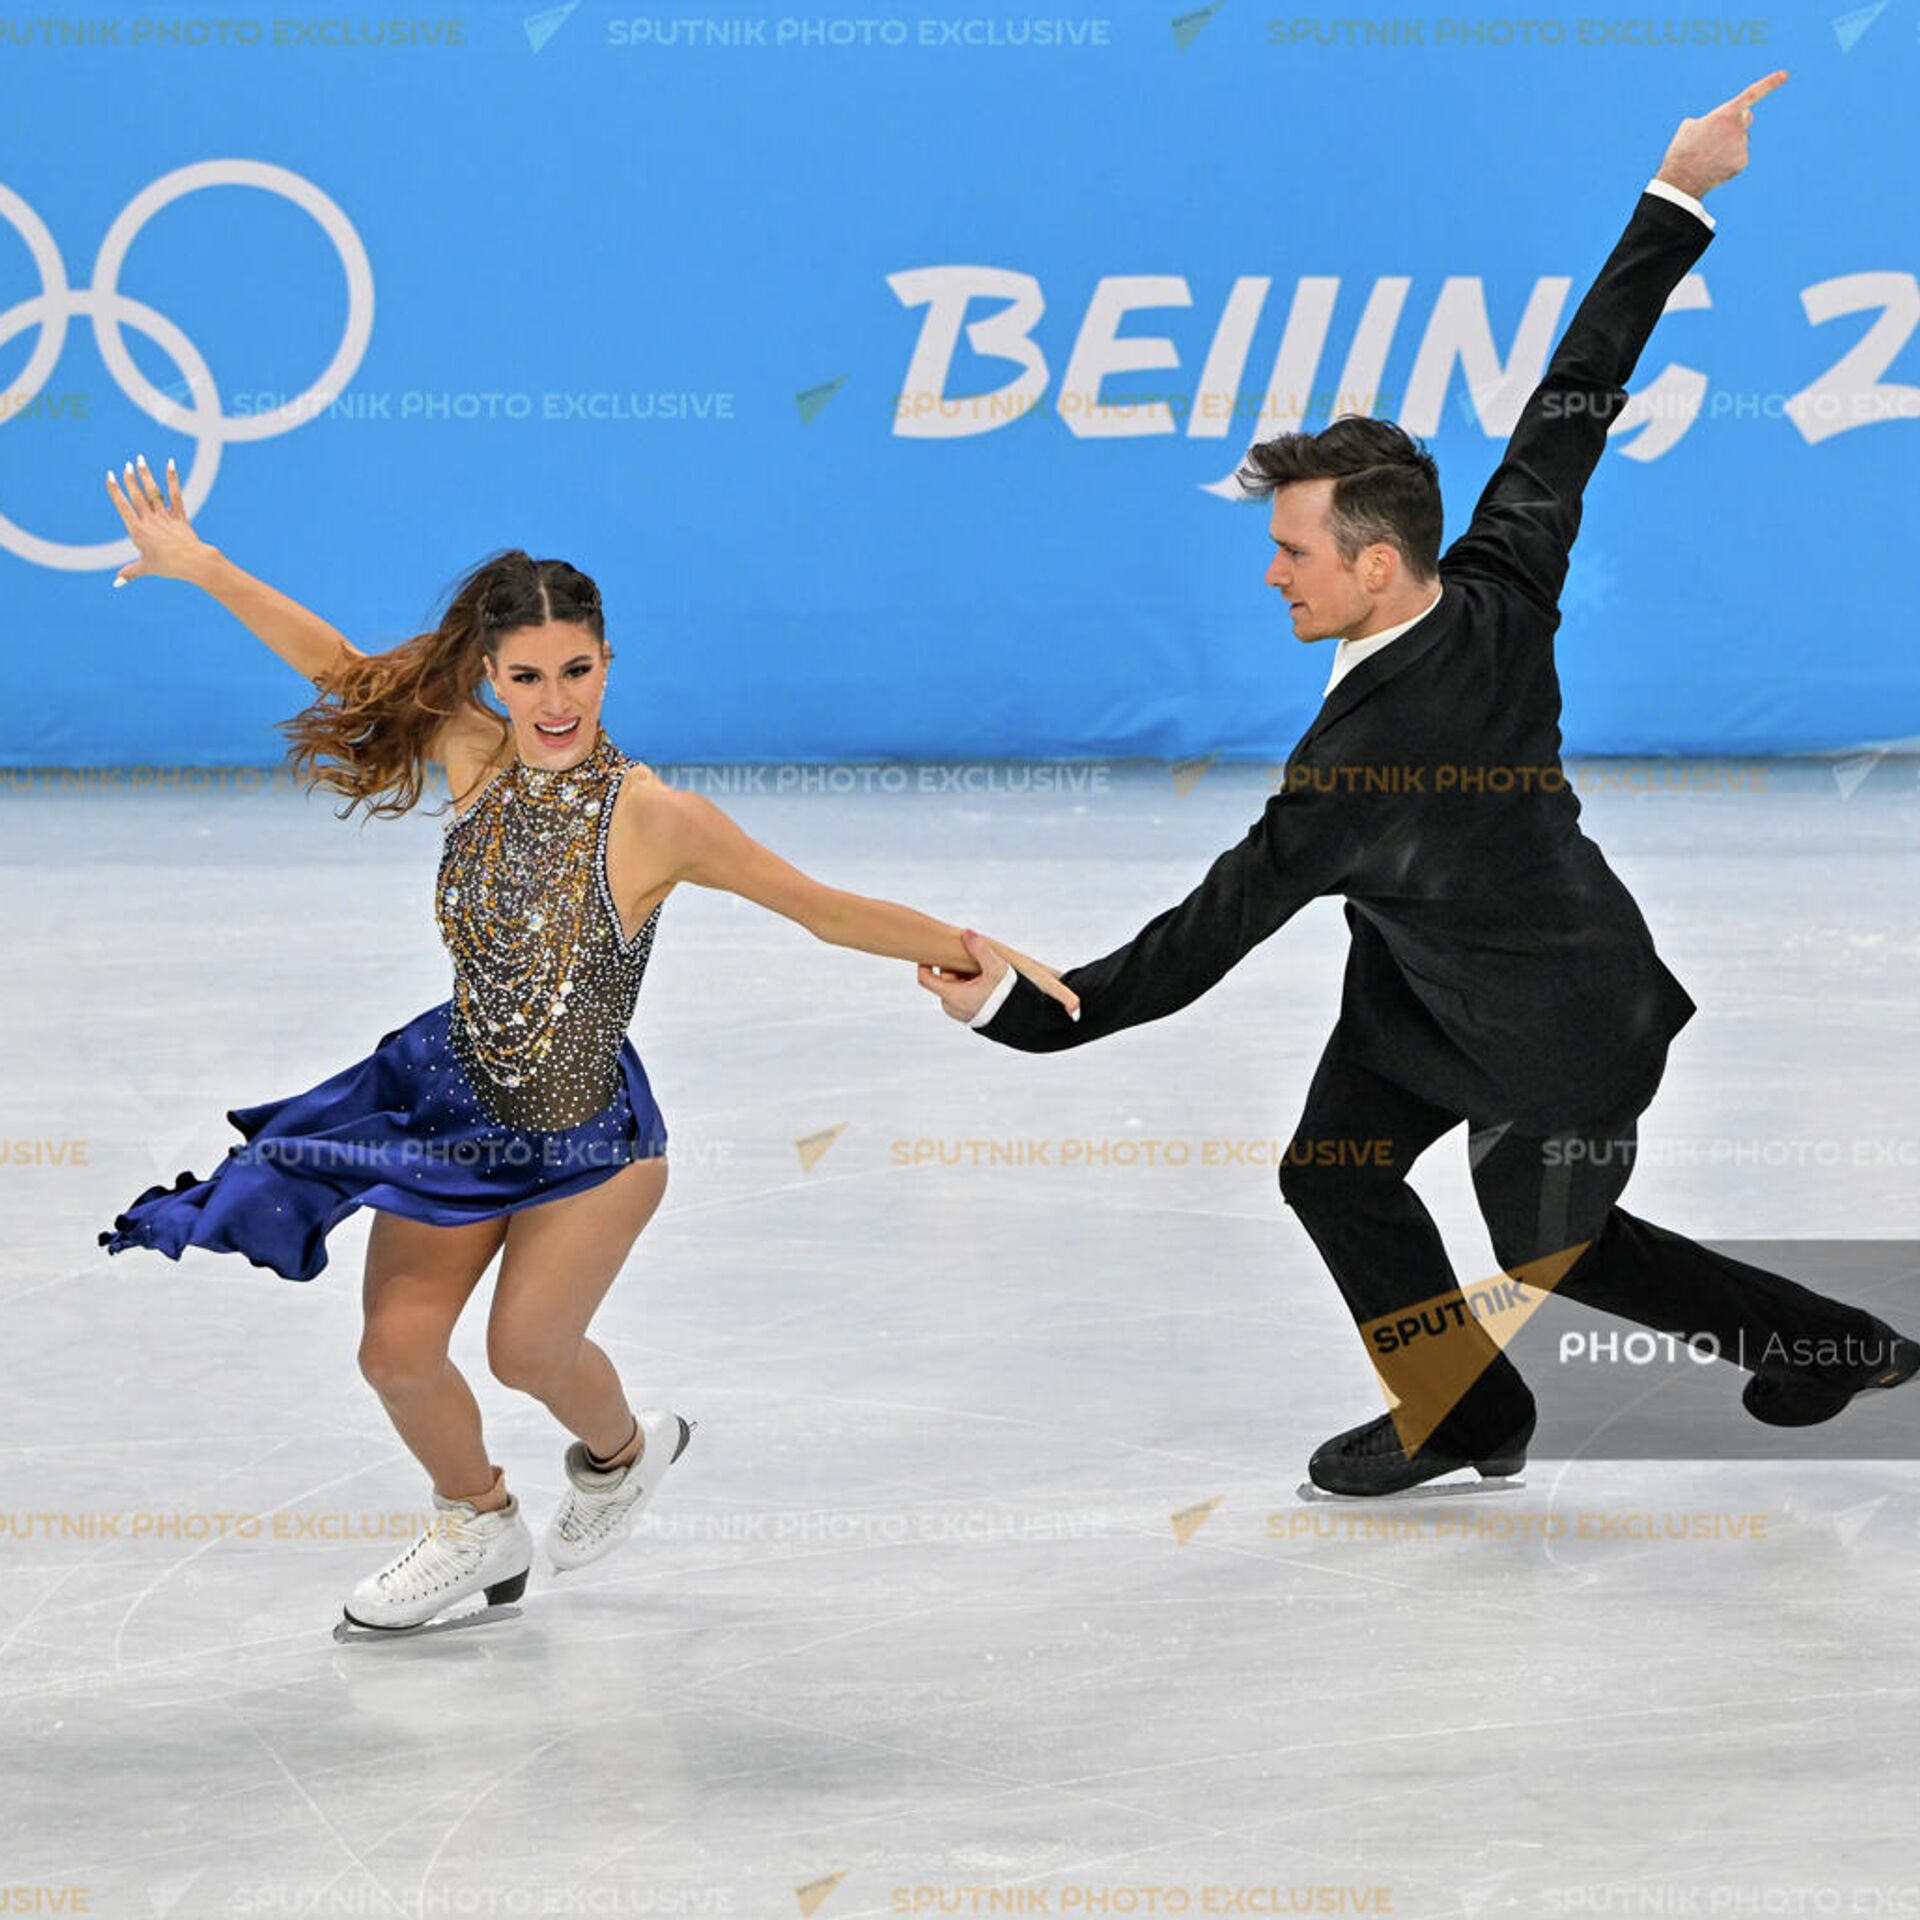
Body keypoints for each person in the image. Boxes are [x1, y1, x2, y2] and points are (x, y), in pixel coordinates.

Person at [919, 71, 1917, 1495]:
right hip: (1420, 990)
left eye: (1294, 554)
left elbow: (1191, 950)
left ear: (1374, 564)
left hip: (1564, 1020)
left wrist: (1015, 1014)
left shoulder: (1354, 772)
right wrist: (1681, 188)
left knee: (1555, 1248)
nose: (1271, 571)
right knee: (1333, 1174)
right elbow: (1579, 395)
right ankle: (1467, 1414)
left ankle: (1838, 1347)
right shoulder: (1503, 574)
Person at [94, 455, 1078, 1628]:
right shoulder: (474, 754)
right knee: (397, 1356)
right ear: (490, 678)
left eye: (577, 671)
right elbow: (342, 668)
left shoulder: (658, 817)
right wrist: (200, 566)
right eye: (526, 677)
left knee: (524, 1352)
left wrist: (976, 948)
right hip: (447, 1107)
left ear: (608, 664)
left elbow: (819, 908)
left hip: (587, 1139)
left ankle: (622, 1456)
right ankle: (477, 1525)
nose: (555, 701)